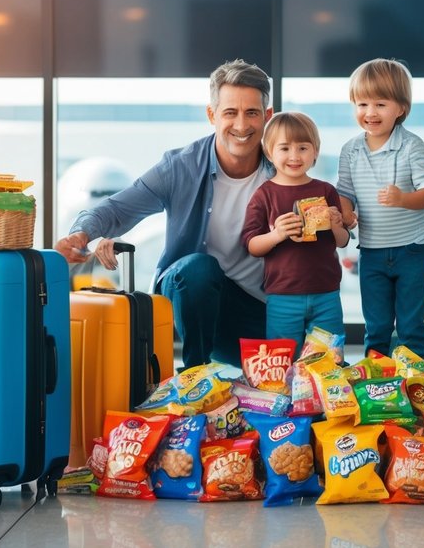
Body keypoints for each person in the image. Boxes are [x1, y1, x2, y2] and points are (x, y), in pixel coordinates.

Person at [55, 59, 274, 370]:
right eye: (230, 112)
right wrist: (82, 232)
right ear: (211, 115)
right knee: (200, 269)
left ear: (267, 116)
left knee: (306, 370)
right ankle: (196, 375)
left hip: (257, 311)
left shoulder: (280, 170)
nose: (241, 125)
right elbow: (119, 207)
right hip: (191, 297)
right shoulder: (180, 166)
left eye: (251, 112)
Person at [336, 58, 424, 364]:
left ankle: (421, 387)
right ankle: (377, 388)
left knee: (410, 328)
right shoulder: (350, 150)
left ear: (401, 108)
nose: (370, 113)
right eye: (362, 103)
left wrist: (403, 199)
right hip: (372, 252)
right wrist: (346, 213)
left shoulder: (412, 146)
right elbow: (344, 191)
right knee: (377, 327)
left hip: (412, 250)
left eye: (380, 104)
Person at [241, 111, 350, 354]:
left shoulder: (325, 190)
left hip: (327, 292)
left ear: (315, 152)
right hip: (282, 295)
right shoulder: (264, 194)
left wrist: (335, 224)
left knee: (329, 359)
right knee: (282, 358)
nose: (294, 156)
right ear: (270, 153)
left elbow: (342, 241)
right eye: (285, 148)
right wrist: (277, 234)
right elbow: (251, 244)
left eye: (303, 148)